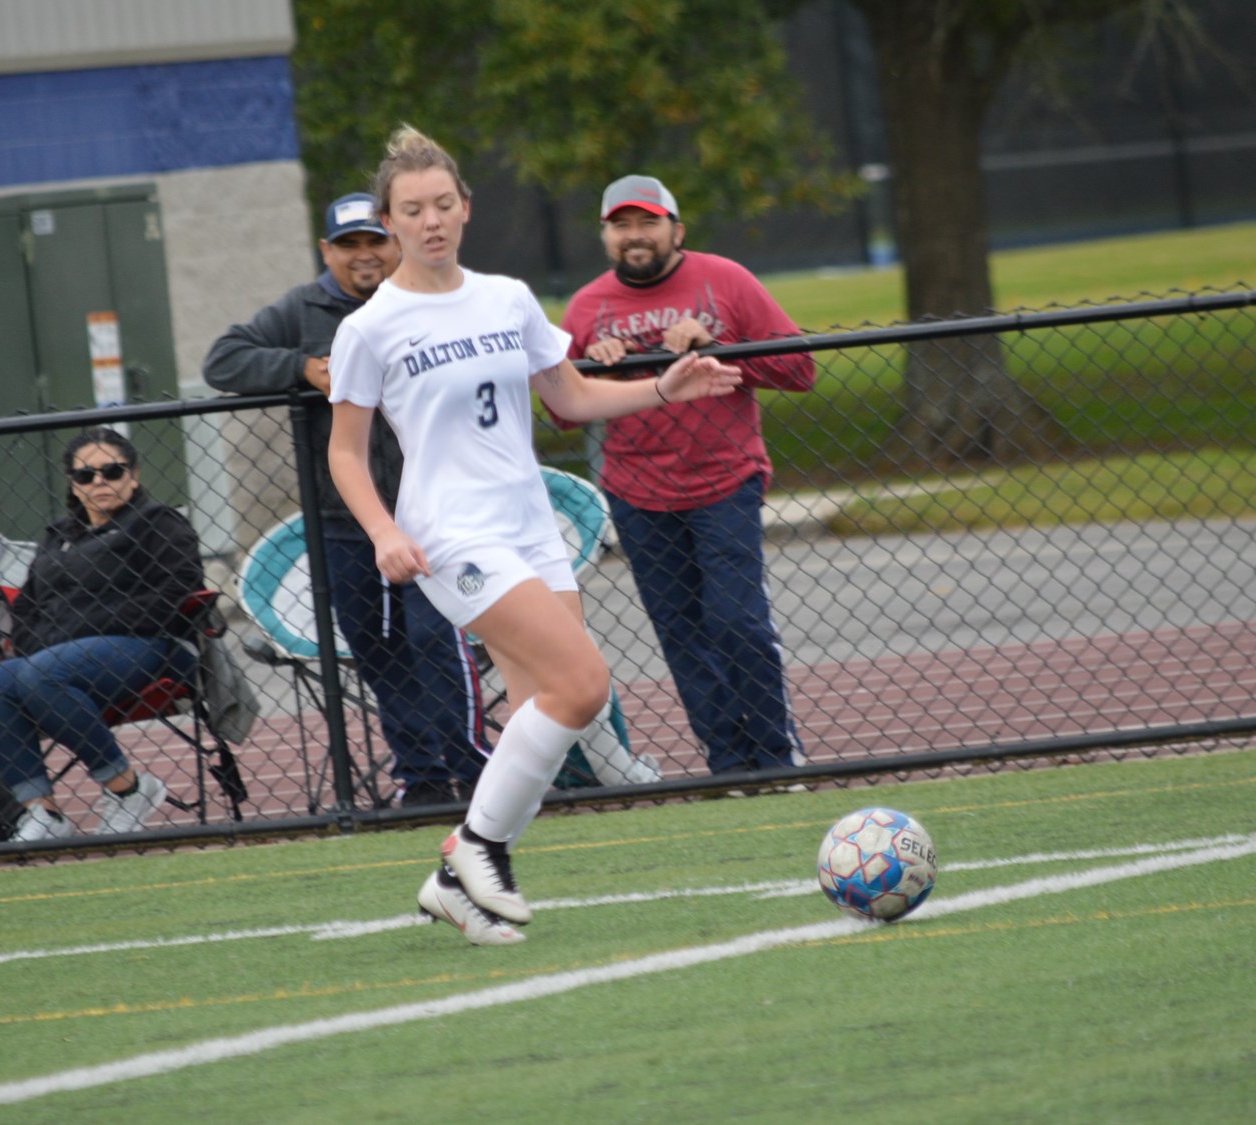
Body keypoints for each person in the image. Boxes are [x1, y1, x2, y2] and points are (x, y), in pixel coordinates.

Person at [328, 126, 745, 946]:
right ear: (390, 221)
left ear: (466, 208)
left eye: (444, 203)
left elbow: (572, 399)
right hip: (452, 533)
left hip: (529, 525)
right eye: (413, 210)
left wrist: (664, 386)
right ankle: (474, 848)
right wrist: (383, 530)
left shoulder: (507, 297)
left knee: (541, 713)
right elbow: (344, 451)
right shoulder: (371, 327)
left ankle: (460, 883)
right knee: (584, 684)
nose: (432, 221)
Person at [204, 192, 489, 808]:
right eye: (349, 245)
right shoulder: (304, 308)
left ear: (395, 240)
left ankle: (477, 770)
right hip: (344, 520)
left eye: (374, 242)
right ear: (326, 251)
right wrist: (303, 367)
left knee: (436, 639)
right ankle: (423, 779)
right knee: (378, 653)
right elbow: (223, 361)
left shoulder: (427, 294)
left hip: (432, 510)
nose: (364, 256)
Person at [559, 175, 816, 775]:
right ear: (605, 235)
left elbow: (800, 369)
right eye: (620, 225)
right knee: (682, 635)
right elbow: (560, 411)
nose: (635, 236)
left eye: (647, 222)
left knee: (738, 621)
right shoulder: (586, 307)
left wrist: (720, 342)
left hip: (725, 479)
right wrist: (595, 369)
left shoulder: (724, 280)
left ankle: (778, 756)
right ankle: (729, 762)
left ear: (677, 228)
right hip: (637, 492)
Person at [0, 427, 203, 842]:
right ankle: (45, 813)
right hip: (59, 660)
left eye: (112, 471)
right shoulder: (58, 535)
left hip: (150, 646)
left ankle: (128, 789)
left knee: (42, 672)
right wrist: (40, 644)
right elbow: (27, 608)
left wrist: (84, 627)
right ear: (73, 486)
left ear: (134, 475)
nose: (100, 483)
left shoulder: (158, 523)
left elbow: (177, 591)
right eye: (86, 476)